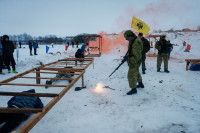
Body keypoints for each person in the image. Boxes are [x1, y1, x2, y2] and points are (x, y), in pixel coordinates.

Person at [124, 30, 144, 95]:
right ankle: (141, 84)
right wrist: (127, 56)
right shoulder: (133, 40)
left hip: (135, 61)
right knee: (136, 72)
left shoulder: (136, 42)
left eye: (127, 38)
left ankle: (133, 89)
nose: (126, 39)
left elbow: (137, 56)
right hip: (134, 60)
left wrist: (129, 60)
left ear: (130, 36)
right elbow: (131, 51)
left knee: (131, 75)